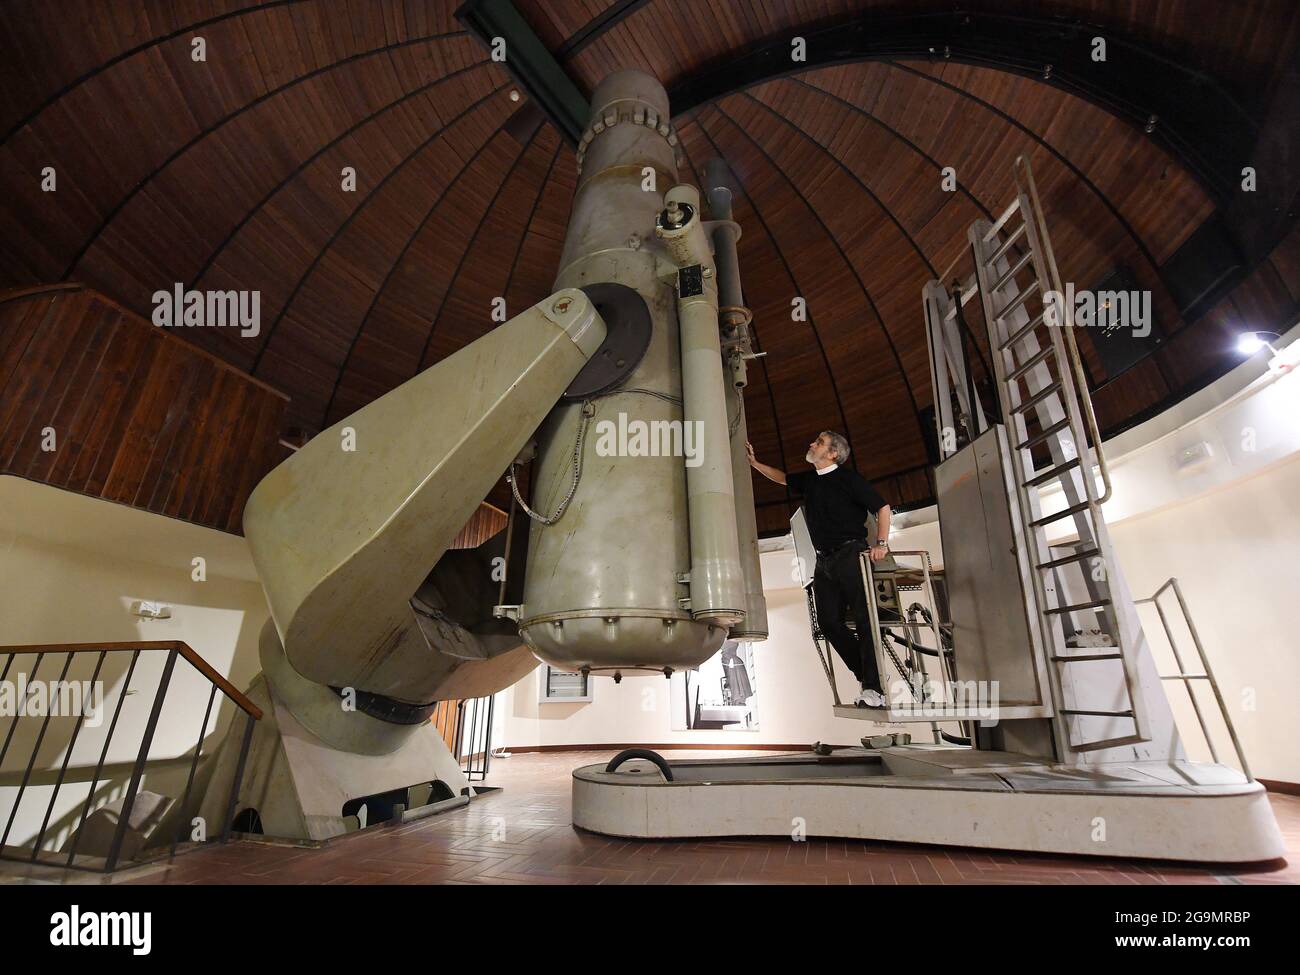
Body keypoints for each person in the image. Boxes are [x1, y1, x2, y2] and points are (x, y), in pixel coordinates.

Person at [747, 431, 892, 708]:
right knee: (828, 623)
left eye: (819, 443)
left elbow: (883, 508)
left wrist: (881, 543)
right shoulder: (811, 480)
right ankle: (867, 674)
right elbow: (782, 478)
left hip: (851, 553)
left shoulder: (849, 480)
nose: (812, 444)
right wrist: (755, 464)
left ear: (833, 453)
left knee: (864, 620)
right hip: (824, 561)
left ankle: (874, 689)